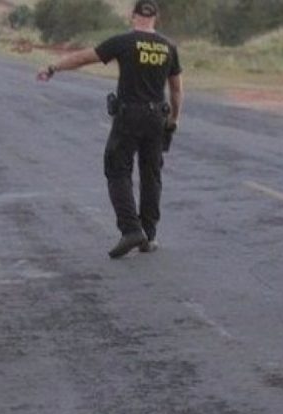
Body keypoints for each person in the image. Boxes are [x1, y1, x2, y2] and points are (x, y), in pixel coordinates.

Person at [37, 0, 183, 258]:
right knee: (151, 176)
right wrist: (173, 122)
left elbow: (85, 57)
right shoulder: (168, 47)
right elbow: (176, 89)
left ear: (132, 16)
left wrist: (53, 67)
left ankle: (130, 230)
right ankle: (148, 235)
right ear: (155, 18)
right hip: (156, 117)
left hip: (129, 116)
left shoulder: (124, 42)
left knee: (117, 169)